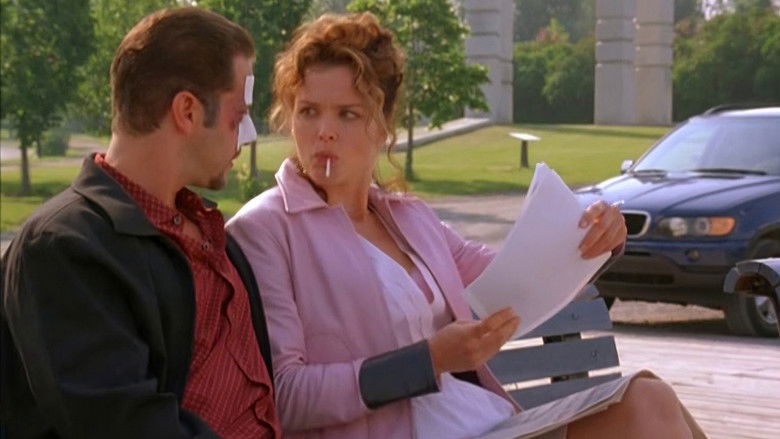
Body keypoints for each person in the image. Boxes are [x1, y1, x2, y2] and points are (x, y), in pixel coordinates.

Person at [226, 12, 706, 439]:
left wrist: (597, 237)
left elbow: (521, 277)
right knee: (650, 407)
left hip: (484, 420)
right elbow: (286, 394)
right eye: (308, 111)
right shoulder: (266, 229)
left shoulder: (409, 218)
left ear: (382, 124)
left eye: (347, 114)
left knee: (649, 399)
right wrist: (430, 360)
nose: (323, 131)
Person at [1, 7, 280, 438]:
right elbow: (126, 426)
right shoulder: (63, 248)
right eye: (238, 115)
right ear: (187, 111)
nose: (250, 135)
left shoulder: (211, 232)